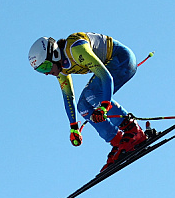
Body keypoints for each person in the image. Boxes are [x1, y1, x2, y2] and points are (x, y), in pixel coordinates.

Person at [28, 33, 147, 170]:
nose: (47, 73)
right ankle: (118, 141)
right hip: (111, 67)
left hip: (122, 60)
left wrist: (104, 106)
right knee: (83, 106)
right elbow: (68, 97)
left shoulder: (75, 49)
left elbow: (106, 77)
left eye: (46, 67)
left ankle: (133, 131)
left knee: (92, 94)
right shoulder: (60, 70)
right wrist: (73, 127)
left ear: (54, 55)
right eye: (41, 71)